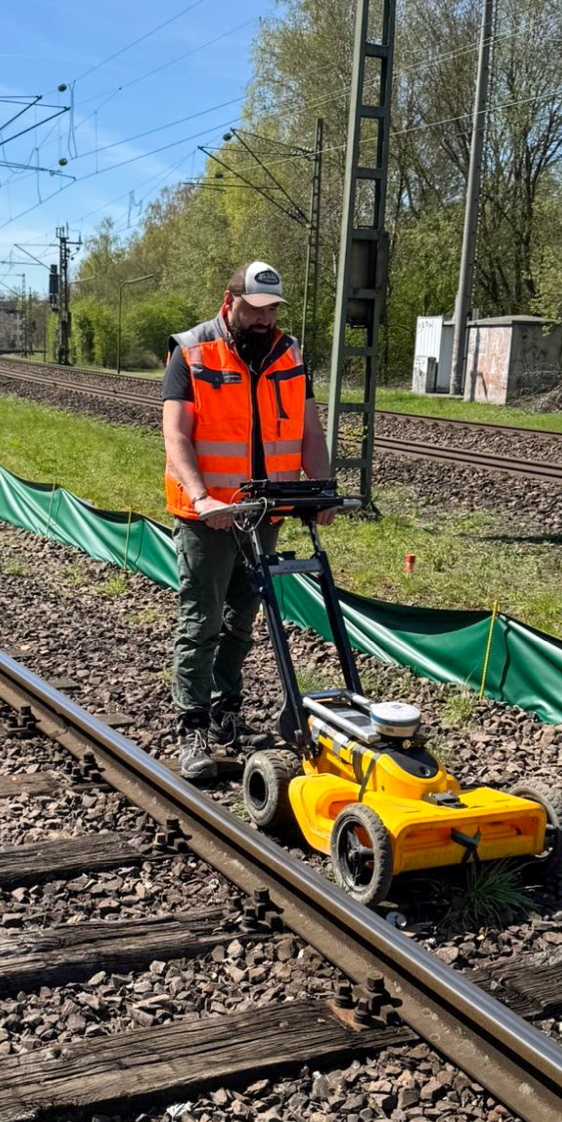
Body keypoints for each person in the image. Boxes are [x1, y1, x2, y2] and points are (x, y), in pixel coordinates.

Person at [162, 260, 334, 781]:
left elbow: (308, 430)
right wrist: (202, 498)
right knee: (202, 619)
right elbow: (177, 436)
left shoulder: (288, 351)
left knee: (243, 618)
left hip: (266, 511)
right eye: (254, 309)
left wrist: (321, 489)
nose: (264, 319)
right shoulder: (191, 350)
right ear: (229, 301)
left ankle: (225, 713)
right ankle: (191, 726)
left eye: (272, 310)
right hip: (209, 515)